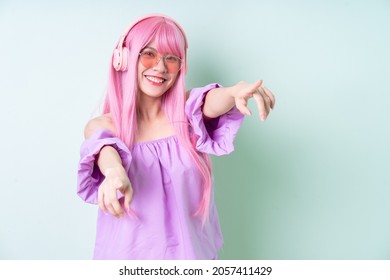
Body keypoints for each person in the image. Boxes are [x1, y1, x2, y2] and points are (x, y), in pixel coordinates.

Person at [77, 14, 275, 260]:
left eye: (171, 58)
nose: (160, 67)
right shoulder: (103, 126)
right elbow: (106, 150)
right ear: (123, 58)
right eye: (148, 54)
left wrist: (233, 91)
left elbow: (212, 101)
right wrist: (114, 174)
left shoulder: (188, 113)